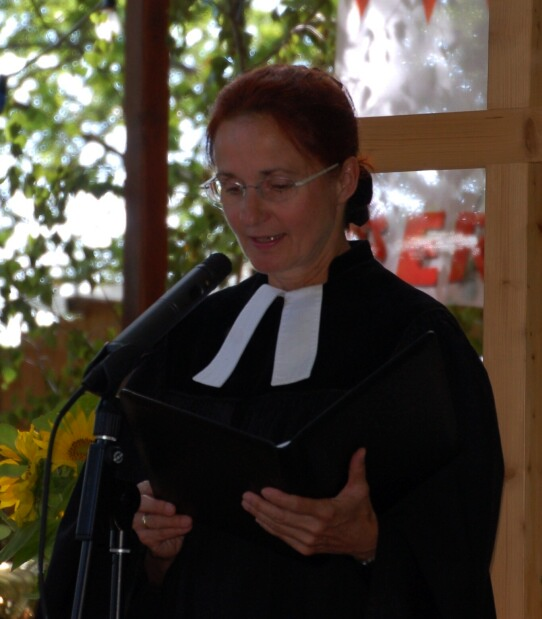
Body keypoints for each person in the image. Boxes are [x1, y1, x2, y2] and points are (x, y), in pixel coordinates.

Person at [40, 64, 503, 618]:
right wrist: (151, 549)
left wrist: (369, 542)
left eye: (278, 185)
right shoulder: (186, 342)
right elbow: (94, 573)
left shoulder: (414, 340)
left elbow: (458, 564)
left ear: (344, 179)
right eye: (231, 187)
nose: (250, 212)